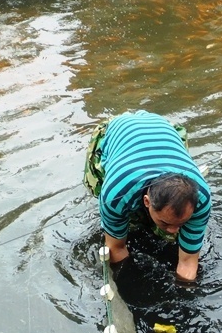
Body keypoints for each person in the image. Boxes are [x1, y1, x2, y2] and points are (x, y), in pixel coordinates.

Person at [83, 110, 211, 282]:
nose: (174, 231)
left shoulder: (202, 199)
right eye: (166, 222)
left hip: (163, 127)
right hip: (117, 130)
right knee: (108, 201)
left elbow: (188, 262)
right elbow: (116, 248)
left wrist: (185, 290)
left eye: (182, 223)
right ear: (146, 201)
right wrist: (131, 284)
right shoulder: (115, 195)